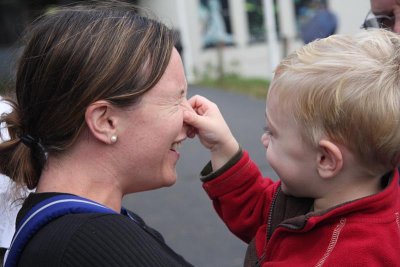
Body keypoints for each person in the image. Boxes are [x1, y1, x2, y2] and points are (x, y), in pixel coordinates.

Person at [0, 1, 194, 266]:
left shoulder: (59, 228)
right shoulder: (95, 246)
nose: (192, 118)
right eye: (176, 99)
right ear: (106, 121)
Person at [183, 29, 400, 265]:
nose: (264, 140)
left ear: (325, 160)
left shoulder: (344, 257)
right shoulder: (322, 193)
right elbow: (260, 211)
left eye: (272, 133)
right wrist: (222, 147)